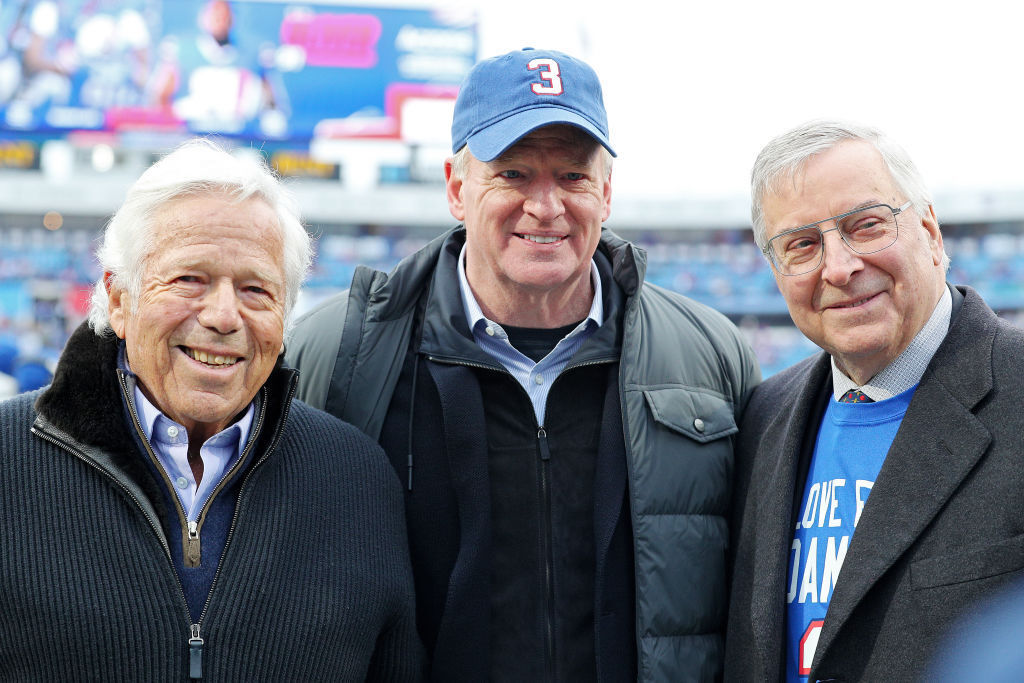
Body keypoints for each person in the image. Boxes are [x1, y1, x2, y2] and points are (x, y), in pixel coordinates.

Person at [287, 47, 760, 681]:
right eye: (512, 175)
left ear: (607, 192)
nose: (546, 206)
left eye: (572, 176)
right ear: (457, 189)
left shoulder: (707, 353)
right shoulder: (337, 351)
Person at [0, 139, 424, 680]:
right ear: (120, 299)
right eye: (188, 279)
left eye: (255, 290)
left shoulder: (357, 478)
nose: (224, 316)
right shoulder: (8, 457)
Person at [725, 120, 1024, 682]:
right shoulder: (762, 416)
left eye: (865, 226)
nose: (838, 267)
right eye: (802, 245)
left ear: (931, 234)